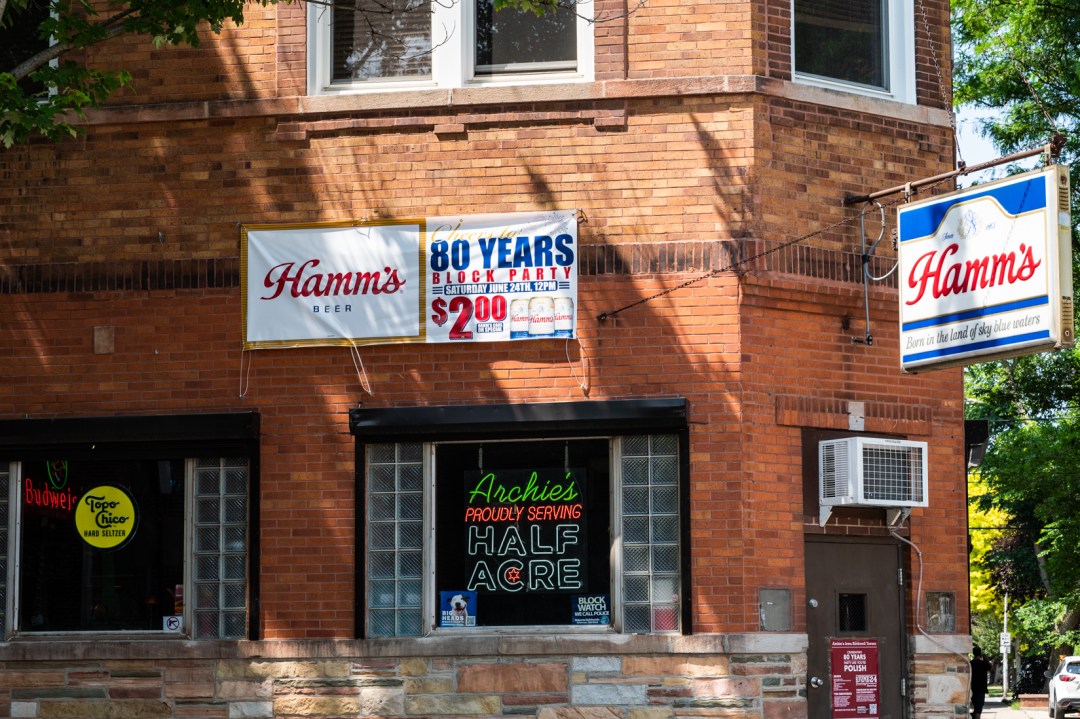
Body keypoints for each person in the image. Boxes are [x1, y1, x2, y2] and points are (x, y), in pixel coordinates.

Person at [970, 645, 992, 719]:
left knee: (975, 707)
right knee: (978, 709)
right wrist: (986, 658)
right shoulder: (984, 664)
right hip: (981, 689)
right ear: (980, 654)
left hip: (972, 688)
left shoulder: (970, 664)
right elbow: (991, 668)